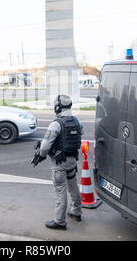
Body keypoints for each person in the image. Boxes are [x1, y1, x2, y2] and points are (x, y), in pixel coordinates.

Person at [38, 94, 83, 230]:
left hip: (59, 164)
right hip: (72, 161)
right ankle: (76, 212)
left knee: (60, 190)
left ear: (58, 107)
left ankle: (59, 221)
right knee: (73, 185)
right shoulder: (77, 121)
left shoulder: (56, 124)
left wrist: (42, 155)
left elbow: (45, 147)